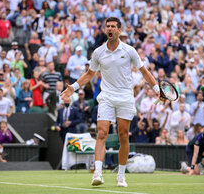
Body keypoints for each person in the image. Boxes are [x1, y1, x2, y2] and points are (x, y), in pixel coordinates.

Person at [60, 17, 159, 187]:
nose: (110, 29)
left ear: (119, 30)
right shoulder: (98, 52)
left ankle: (121, 175)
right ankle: (97, 173)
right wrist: (74, 88)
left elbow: (144, 72)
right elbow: (90, 74)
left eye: (113, 26)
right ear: (105, 30)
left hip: (125, 97)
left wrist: (158, 90)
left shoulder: (129, 51)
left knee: (123, 136)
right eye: (108, 26)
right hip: (106, 97)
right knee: (101, 133)